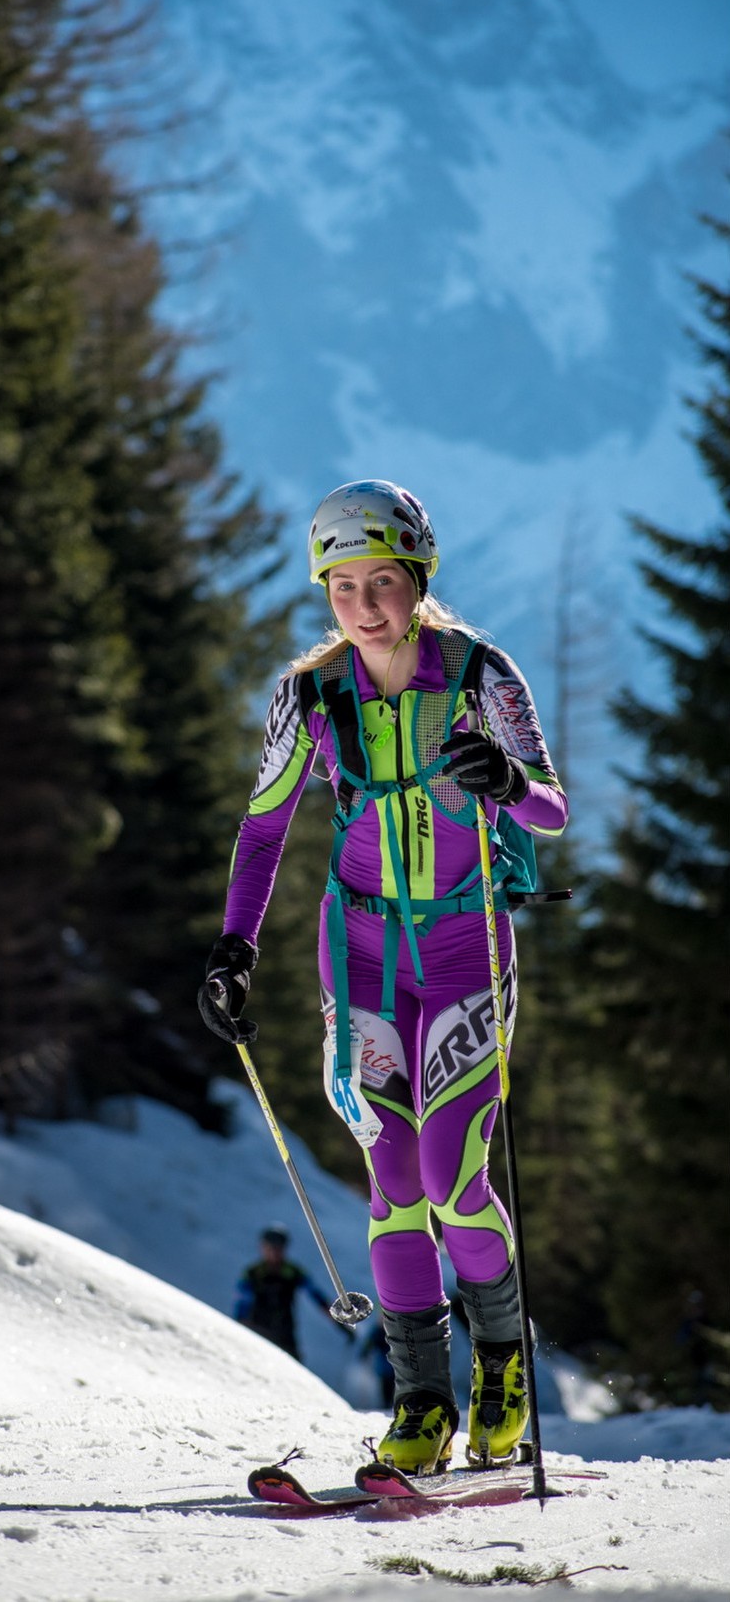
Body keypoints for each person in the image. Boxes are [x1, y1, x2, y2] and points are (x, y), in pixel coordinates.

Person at [194, 480, 568, 1474]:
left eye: (382, 582)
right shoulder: (307, 695)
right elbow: (264, 829)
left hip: (462, 951)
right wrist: (234, 947)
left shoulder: (483, 674)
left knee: (453, 1177)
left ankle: (500, 1364)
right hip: (356, 962)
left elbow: (550, 812)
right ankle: (417, 1404)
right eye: (342, 585)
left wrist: (508, 782)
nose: (362, 605)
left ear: (417, 578)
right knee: (392, 1189)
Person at [232, 1227, 332, 1365]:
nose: (274, 1253)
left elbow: (315, 1295)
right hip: (257, 1328)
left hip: (284, 1331)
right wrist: (240, 1323)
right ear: (262, 1247)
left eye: (278, 1248)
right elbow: (242, 1300)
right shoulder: (253, 1273)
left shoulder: (293, 1272)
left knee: (293, 1370)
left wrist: (337, 1319)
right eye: (270, 1248)